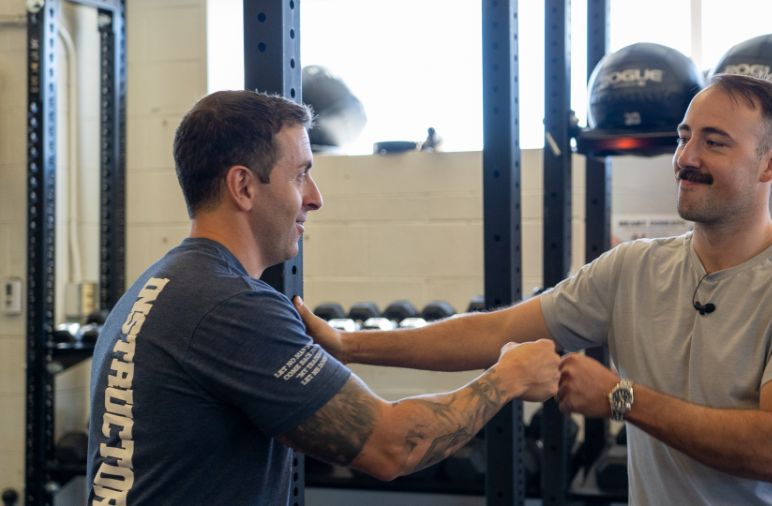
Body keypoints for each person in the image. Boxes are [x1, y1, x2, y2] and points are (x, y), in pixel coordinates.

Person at [296, 74, 772, 505]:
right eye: (685, 137)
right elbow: (495, 331)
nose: (686, 158)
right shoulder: (633, 269)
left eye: (714, 143)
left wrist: (622, 397)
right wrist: (349, 346)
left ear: (771, 164)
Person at [85, 90, 561, 505]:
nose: (314, 198)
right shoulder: (230, 305)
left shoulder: (155, 288)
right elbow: (392, 446)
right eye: (300, 175)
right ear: (244, 186)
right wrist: (506, 379)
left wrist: (348, 345)